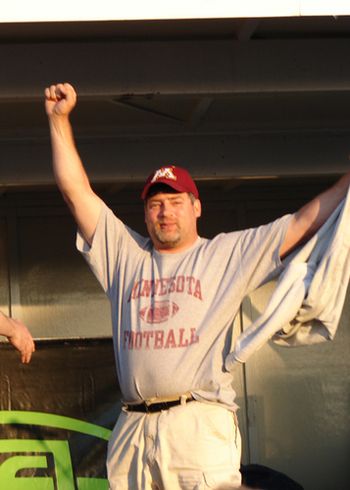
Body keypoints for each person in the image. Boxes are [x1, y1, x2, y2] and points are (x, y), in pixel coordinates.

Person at [44, 82, 350, 490]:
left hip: (197, 420)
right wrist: (58, 120)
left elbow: (300, 223)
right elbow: (75, 192)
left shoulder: (225, 254)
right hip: (134, 425)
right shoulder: (125, 256)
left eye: (175, 201)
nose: (165, 212)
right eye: (155, 204)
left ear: (196, 207)